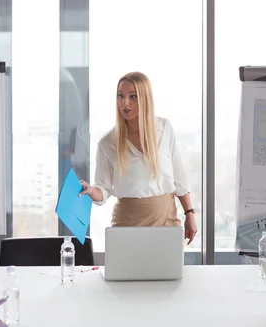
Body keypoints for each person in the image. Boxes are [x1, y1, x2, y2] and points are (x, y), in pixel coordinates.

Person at [79, 72, 198, 244]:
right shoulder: (107, 143)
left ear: (145, 99)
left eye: (133, 97)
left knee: (168, 271)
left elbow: (179, 177)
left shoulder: (164, 129)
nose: (125, 103)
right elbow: (103, 189)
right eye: (121, 96)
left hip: (166, 221)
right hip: (127, 224)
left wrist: (189, 214)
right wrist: (91, 190)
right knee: (126, 271)